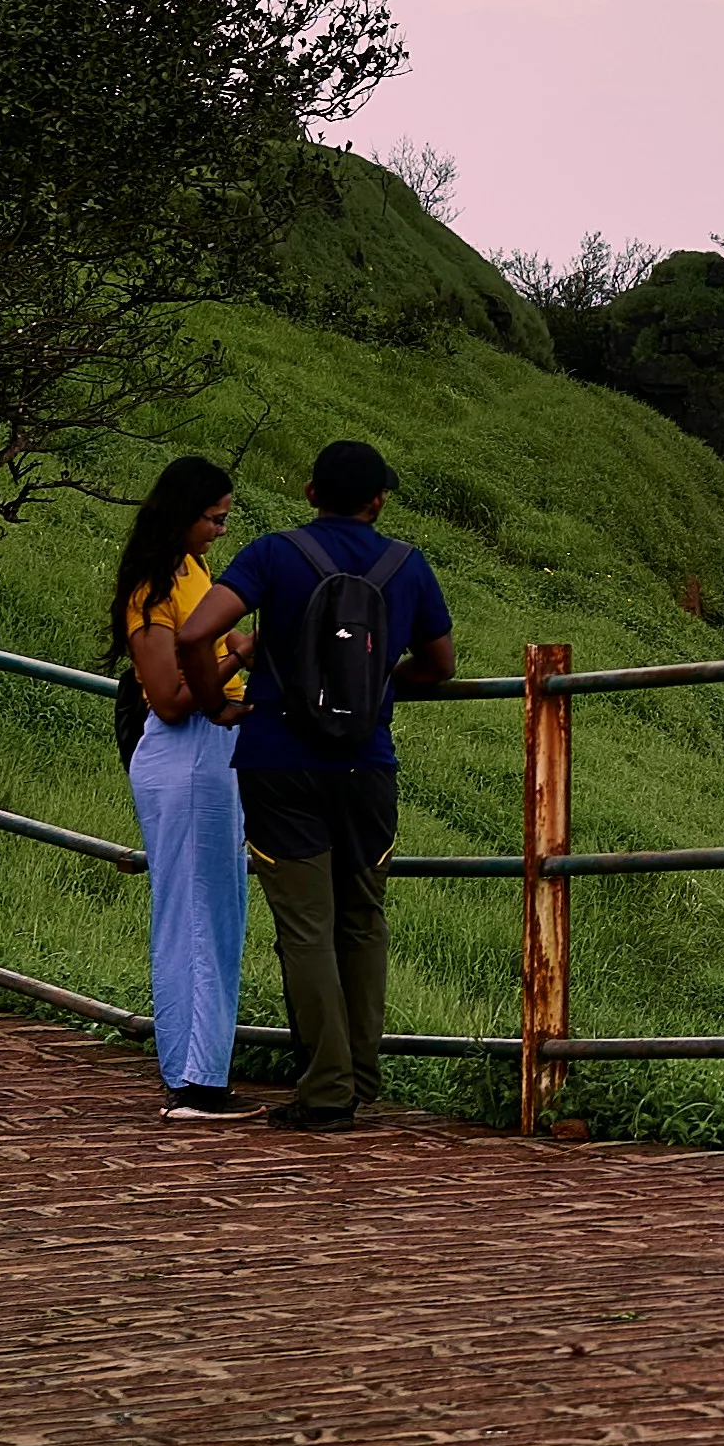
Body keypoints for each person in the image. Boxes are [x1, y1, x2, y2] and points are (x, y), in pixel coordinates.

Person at [168, 438, 456, 1131]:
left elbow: (197, 631)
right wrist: (377, 686)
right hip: (368, 766)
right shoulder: (406, 565)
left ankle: (326, 1091)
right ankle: (360, 1073)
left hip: (279, 762)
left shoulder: (273, 553)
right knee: (363, 918)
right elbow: (440, 665)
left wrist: (216, 703)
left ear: (309, 492)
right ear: (378, 500)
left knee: (305, 928)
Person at [108, 455, 255, 1119]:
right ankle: (196, 1080)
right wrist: (239, 654)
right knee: (198, 916)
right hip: (187, 750)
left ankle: (197, 1070)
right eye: (215, 518)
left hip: (211, 749)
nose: (221, 530)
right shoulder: (156, 584)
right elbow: (168, 695)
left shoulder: (192, 572)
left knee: (213, 914)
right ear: (186, 513)